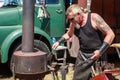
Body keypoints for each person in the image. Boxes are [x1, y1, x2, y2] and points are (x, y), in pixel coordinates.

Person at [52, 4, 115, 80]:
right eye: (69, 19)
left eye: (72, 19)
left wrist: (100, 51)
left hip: (97, 55)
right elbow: (69, 34)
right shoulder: (74, 23)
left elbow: (110, 34)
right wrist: (58, 42)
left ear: (78, 14)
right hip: (82, 56)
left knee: (99, 78)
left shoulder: (94, 18)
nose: (70, 21)